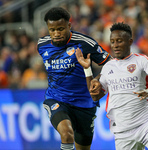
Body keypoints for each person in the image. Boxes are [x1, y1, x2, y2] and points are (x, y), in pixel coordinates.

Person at [76, 22, 148, 150]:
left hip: (145, 123)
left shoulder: (142, 60)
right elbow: (94, 96)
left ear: (130, 41)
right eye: (112, 41)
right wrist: (87, 70)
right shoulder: (108, 67)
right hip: (123, 132)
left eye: (119, 41)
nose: (115, 45)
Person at [37, 7, 111, 150]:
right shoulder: (42, 45)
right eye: (52, 30)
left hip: (85, 104)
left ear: (69, 26)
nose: (56, 34)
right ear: (48, 28)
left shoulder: (84, 43)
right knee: (67, 134)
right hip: (57, 99)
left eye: (60, 29)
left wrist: (97, 79)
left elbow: (112, 64)